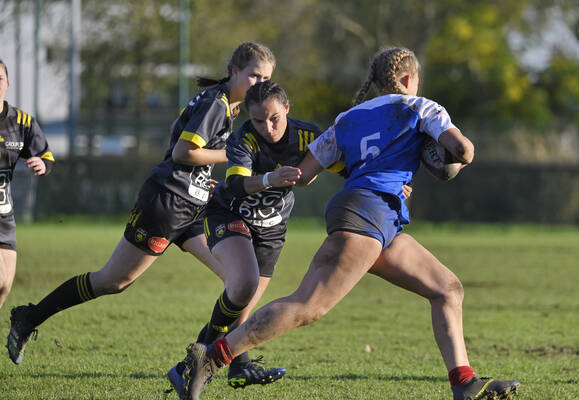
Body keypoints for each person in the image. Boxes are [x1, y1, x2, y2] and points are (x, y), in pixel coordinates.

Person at [181, 47, 520, 400]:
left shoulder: (347, 119)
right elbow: (463, 150)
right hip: (367, 214)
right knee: (308, 306)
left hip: (379, 217)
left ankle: (464, 383)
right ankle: (211, 357)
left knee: (447, 289)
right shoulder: (421, 107)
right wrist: (448, 161)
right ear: (408, 80)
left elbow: (304, 174)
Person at [5, 44, 282, 392]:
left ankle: (222, 362)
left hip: (194, 205)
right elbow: (183, 151)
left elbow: (178, 134)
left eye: (266, 78)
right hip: (166, 204)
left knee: (243, 284)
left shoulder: (228, 103)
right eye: (254, 74)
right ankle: (29, 317)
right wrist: (229, 154)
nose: (259, 82)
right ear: (235, 71)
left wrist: (202, 177)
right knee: (113, 280)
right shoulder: (217, 102)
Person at [168, 80, 337, 397]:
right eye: (259, 120)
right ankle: (200, 367)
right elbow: (236, 186)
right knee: (242, 286)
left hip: (272, 228)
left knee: (242, 313)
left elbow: (342, 163)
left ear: (287, 108)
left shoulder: (307, 134)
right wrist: (272, 178)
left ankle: (199, 369)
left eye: (274, 118)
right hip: (229, 215)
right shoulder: (242, 138)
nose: (267, 127)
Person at [0, 59, 55, 310]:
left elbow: (46, 155)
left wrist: (42, 165)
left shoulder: (21, 122)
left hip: (3, 215)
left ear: (7, 84)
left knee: (3, 286)